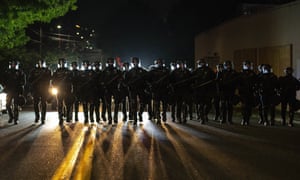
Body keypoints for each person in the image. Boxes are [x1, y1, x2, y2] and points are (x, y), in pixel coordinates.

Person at [125, 57, 149, 125]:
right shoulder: (130, 72)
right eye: (134, 62)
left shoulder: (142, 70)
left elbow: (147, 78)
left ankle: (140, 114)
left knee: (143, 103)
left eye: (136, 62)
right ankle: (135, 118)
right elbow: (126, 81)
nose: (135, 63)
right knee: (134, 104)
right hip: (133, 89)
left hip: (141, 89)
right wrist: (129, 85)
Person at [192, 59, 216, 124]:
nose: (201, 64)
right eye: (200, 63)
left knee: (209, 105)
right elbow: (192, 79)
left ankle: (205, 114)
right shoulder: (196, 71)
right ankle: (202, 118)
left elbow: (214, 78)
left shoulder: (209, 70)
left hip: (207, 91)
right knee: (201, 105)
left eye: (202, 63)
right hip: (199, 91)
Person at [28, 60, 52, 124]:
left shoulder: (47, 70)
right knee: (35, 104)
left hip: (44, 89)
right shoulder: (34, 71)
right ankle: (37, 117)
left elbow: (49, 78)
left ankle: (43, 118)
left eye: (42, 63)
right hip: (36, 89)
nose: (41, 64)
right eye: (39, 63)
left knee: (43, 104)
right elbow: (30, 79)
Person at [2, 60, 26, 124]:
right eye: (12, 64)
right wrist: (4, 85)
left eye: (14, 64)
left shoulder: (20, 72)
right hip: (9, 91)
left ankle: (16, 119)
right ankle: (11, 117)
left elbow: (23, 81)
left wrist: (21, 87)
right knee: (7, 105)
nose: (13, 65)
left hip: (16, 91)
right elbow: (3, 79)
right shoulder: (7, 71)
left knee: (16, 105)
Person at [148, 58, 170, 124]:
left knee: (164, 104)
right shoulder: (153, 70)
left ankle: (164, 114)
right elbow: (149, 79)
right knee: (156, 104)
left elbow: (169, 79)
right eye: (158, 62)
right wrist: (151, 85)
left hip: (164, 89)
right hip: (156, 90)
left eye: (160, 62)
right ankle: (158, 117)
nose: (159, 63)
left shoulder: (166, 70)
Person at [52, 58, 73, 125]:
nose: (62, 64)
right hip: (60, 89)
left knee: (68, 104)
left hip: (67, 89)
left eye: (63, 63)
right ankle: (60, 118)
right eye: (61, 63)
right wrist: (55, 86)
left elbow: (72, 80)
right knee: (60, 104)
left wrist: (69, 86)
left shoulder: (68, 71)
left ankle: (67, 117)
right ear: (59, 63)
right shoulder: (57, 71)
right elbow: (53, 81)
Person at [217, 60, 239, 124]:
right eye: (226, 65)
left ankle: (229, 119)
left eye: (228, 65)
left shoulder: (234, 72)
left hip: (231, 91)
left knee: (230, 106)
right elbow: (218, 82)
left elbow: (236, 82)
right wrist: (219, 91)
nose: (228, 66)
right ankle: (222, 119)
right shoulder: (221, 72)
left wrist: (235, 90)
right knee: (222, 106)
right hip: (223, 91)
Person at [102, 58, 122, 124]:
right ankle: (110, 118)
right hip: (108, 89)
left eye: (111, 62)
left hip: (115, 88)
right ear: (108, 63)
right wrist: (104, 84)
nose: (110, 63)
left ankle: (115, 117)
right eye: (109, 62)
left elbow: (120, 78)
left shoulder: (116, 70)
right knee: (108, 104)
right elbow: (101, 79)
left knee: (116, 103)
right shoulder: (105, 70)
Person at [237, 60, 257, 125]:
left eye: (248, 65)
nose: (247, 66)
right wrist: (240, 89)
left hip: (250, 92)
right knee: (244, 106)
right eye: (246, 65)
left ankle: (247, 119)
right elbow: (238, 82)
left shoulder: (252, 73)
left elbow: (256, 82)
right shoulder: (241, 73)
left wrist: (254, 88)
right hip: (243, 92)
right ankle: (244, 118)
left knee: (249, 107)